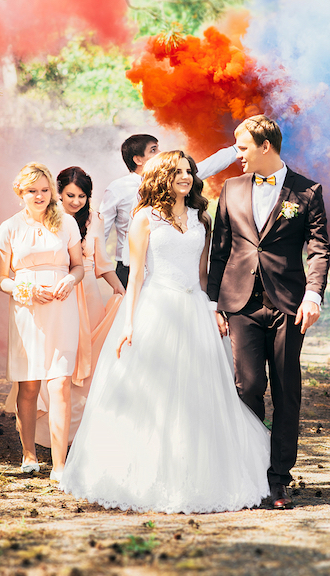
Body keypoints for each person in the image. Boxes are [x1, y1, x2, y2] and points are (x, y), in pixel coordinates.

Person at [60, 151, 270, 513]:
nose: (186, 177)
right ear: (162, 177)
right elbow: (137, 274)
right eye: (178, 172)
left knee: (198, 392)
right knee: (154, 394)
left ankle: (199, 471)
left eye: (189, 172)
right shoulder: (144, 217)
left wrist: (211, 308)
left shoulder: (199, 215)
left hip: (194, 310)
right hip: (157, 307)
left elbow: (203, 273)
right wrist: (128, 323)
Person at [207, 114, 330, 510]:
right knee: (247, 389)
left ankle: (278, 480)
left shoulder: (307, 191)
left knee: (285, 389)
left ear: (266, 146)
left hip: (288, 306)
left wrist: (313, 295)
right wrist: (213, 302)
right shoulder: (230, 188)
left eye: (242, 147)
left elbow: (318, 248)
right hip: (239, 303)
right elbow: (220, 249)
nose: (236, 154)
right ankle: (249, 472)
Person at [0, 163, 84, 483]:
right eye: (33, 190)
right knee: (29, 384)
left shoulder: (68, 223)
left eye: (45, 190)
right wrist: (26, 289)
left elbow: (78, 267)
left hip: (62, 307)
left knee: (60, 383)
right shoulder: (8, 228)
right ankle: (29, 454)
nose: (41, 196)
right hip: (26, 310)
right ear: (21, 192)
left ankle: (59, 465)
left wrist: (70, 282)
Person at [100, 134, 238, 287]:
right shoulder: (118, 188)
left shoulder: (177, 179)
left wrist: (237, 149)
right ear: (138, 159)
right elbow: (101, 232)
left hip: (168, 269)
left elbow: (209, 165)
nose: (160, 152)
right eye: (153, 150)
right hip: (128, 268)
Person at [57, 166, 124, 441]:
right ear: (59, 193)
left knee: (93, 357)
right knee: (62, 357)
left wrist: (120, 288)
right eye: (70, 195)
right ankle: (59, 432)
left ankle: (86, 432)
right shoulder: (49, 219)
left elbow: (102, 261)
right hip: (60, 290)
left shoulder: (94, 219)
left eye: (82, 196)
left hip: (90, 292)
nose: (75, 201)